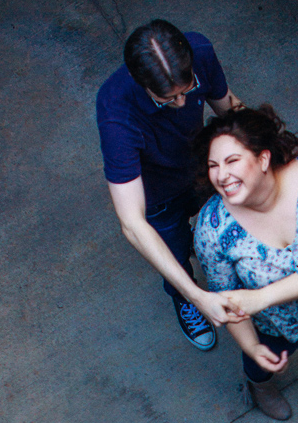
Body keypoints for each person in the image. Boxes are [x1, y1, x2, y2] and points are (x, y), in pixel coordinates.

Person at [192, 106, 298, 421]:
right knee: (266, 357)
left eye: (231, 161)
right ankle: (259, 387)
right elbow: (228, 297)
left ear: (263, 159)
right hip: (270, 320)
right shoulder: (212, 229)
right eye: (213, 165)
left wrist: (260, 297)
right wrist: (252, 347)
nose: (220, 175)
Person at [97, 19, 246, 350]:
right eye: (168, 99)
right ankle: (184, 300)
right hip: (158, 197)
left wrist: (269, 153)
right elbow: (132, 223)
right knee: (175, 255)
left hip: (202, 168)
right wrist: (198, 296)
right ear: (141, 84)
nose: (181, 104)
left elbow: (232, 112)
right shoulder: (115, 112)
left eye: (187, 90)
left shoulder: (200, 51)